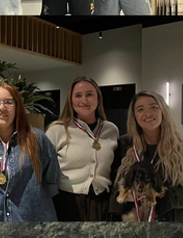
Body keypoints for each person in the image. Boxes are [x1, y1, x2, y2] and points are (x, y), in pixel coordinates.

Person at [0, 83, 60, 221]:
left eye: (8, 102)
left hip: (33, 224)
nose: (2, 107)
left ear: (17, 107)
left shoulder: (37, 139)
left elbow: (52, 182)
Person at [44, 77, 119, 221]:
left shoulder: (111, 129)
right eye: (78, 95)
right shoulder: (58, 130)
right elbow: (44, 168)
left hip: (102, 202)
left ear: (98, 98)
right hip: (67, 202)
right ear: (71, 100)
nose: (84, 100)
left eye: (89, 94)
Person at [109, 91, 183, 221]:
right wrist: (125, 195)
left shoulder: (179, 149)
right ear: (135, 116)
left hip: (171, 226)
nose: (148, 113)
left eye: (154, 107)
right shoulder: (124, 145)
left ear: (163, 111)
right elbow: (114, 188)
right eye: (140, 109)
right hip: (133, 227)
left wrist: (166, 193)